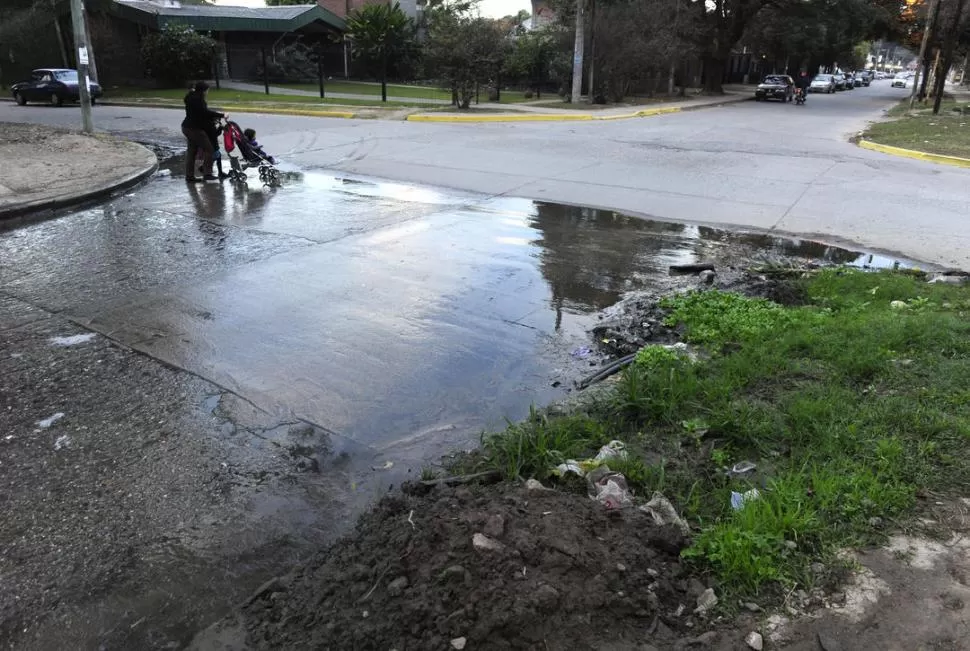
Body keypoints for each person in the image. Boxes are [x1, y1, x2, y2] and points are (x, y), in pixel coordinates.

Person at [181, 81, 224, 183]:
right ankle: (207, 174)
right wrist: (221, 115)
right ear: (204, 90)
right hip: (194, 129)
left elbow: (201, 113)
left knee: (192, 152)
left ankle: (190, 176)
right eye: (207, 90)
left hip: (187, 127)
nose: (207, 92)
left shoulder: (191, 97)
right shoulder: (198, 100)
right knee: (210, 149)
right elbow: (204, 113)